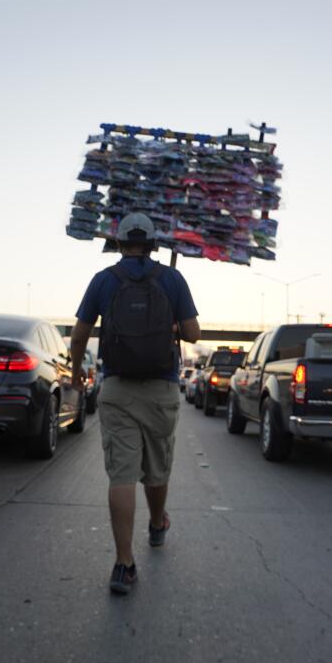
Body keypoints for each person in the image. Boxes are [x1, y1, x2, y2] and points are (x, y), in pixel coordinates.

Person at [69, 212, 200, 595]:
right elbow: (192, 333)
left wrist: (78, 373)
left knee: (121, 475)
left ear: (119, 242)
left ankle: (124, 565)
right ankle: (157, 524)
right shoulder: (172, 279)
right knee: (157, 468)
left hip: (118, 388)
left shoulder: (104, 280)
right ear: (153, 243)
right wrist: (171, 325)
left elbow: (79, 335)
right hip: (161, 388)